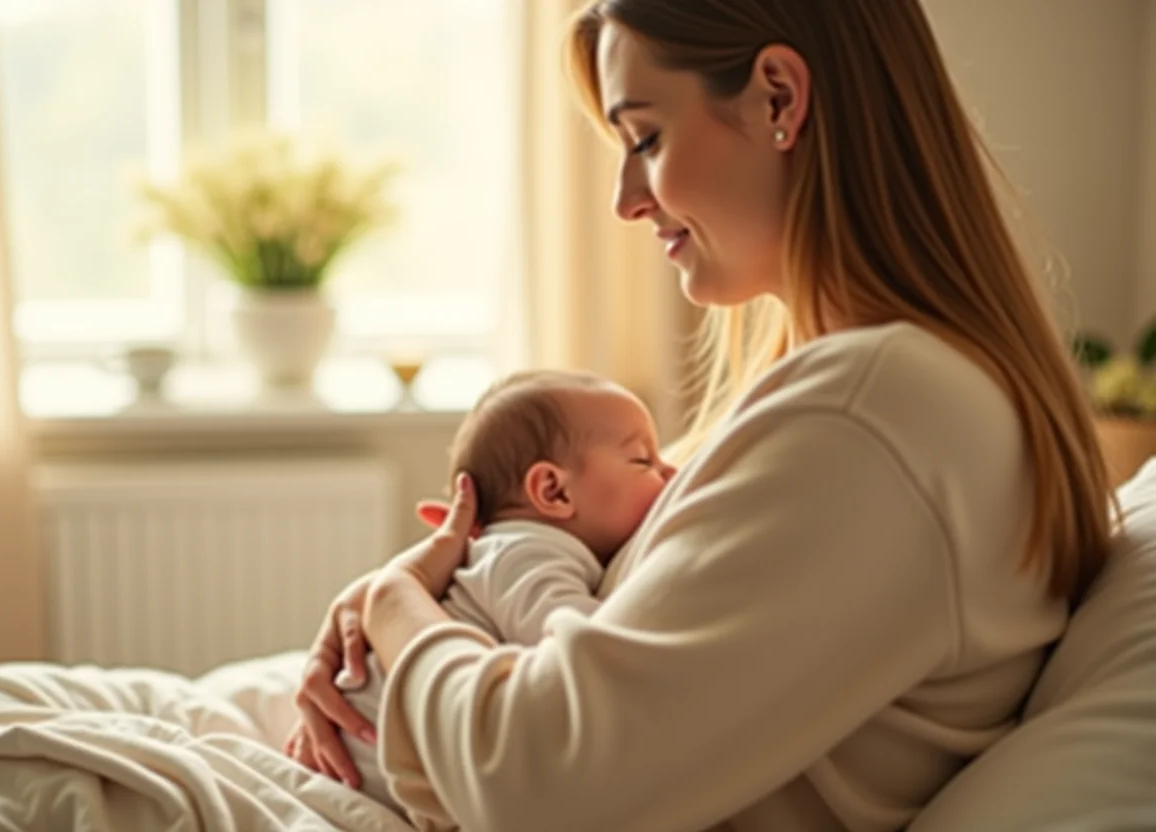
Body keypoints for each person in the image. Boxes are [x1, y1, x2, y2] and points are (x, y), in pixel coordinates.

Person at [285, 2, 1116, 830]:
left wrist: (396, 606)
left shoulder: (870, 417)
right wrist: (383, 609)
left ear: (780, 100)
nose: (623, 200)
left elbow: (540, 783)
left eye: (645, 139)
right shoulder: (862, 397)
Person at [295, 369, 674, 813]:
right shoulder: (527, 555)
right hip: (376, 768)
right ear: (552, 490)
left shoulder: (508, 552)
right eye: (644, 461)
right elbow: (584, 655)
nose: (669, 472)